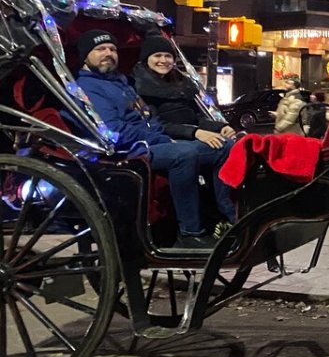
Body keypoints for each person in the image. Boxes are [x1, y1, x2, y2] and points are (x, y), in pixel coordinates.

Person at [75, 30, 235, 251]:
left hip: (153, 141)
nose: (108, 53)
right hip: (127, 151)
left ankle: (227, 216)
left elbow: (148, 119)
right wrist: (164, 139)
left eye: (112, 49)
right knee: (184, 154)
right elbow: (114, 131)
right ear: (85, 56)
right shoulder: (89, 87)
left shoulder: (120, 82)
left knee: (225, 147)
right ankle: (190, 233)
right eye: (100, 49)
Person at [132, 35, 236, 147]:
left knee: (233, 144)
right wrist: (195, 132)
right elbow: (154, 124)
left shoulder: (183, 83)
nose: (163, 60)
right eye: (157, 56)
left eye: (168, 56)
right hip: (168, 140)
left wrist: (220, 127)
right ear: (146, 59)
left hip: (190, 136)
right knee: (224, 148)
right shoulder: (140, 87)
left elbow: (197, 118)